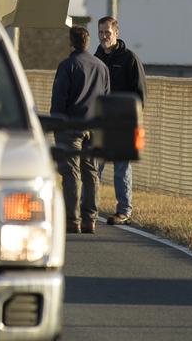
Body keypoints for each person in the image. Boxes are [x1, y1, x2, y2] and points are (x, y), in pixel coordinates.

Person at [50, 24, 110, 234]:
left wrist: (55, 123)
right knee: (91, 173)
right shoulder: (102, 67)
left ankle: (71, 219)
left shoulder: (67, 65)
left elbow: (59, 98)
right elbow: (106, 99)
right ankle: (90, 219)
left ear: (71, 42)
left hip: (70, 126)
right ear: (88, 41)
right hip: (94, 126)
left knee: (71, 174)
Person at [94, 16, 147, 225]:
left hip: (123, 124)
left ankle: (123, 211)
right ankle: (90, 207)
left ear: (116, 33)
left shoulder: (129, 59)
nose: (104, 36)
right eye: (100, 32)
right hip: (100, 123)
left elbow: (140, 93)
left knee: (121, 168)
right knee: (93, 166)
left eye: (107, 32)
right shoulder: (95, 59)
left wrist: (133, 119)